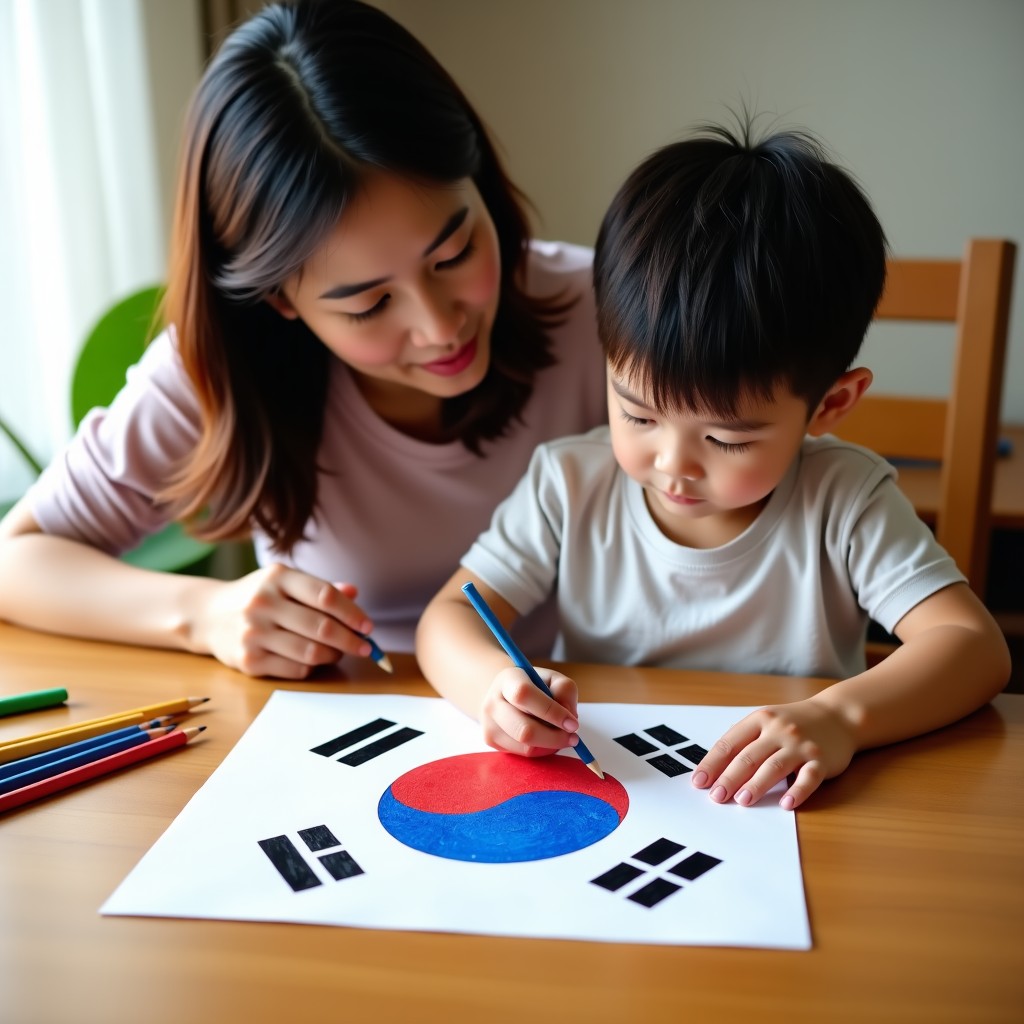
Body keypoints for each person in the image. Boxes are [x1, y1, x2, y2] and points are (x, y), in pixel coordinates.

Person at [0, 0, 606, 678]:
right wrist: (206, 615)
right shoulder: (227, 367)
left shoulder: (601, 311)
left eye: (455, 253)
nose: (439, 326)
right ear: (278, 298)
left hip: (591, 712)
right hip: (347, 727)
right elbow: (14, 562)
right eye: (370, 303)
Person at [415, 121, 1011, 810]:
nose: (672, 464)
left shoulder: (845, 498)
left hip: (795, 813)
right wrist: (494, 686)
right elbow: (450, 618)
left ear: (831, 404)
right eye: (638, 414)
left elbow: (974, 647)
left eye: (727, 440)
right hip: (618, 795)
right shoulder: (568, 484)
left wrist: (841, 717)